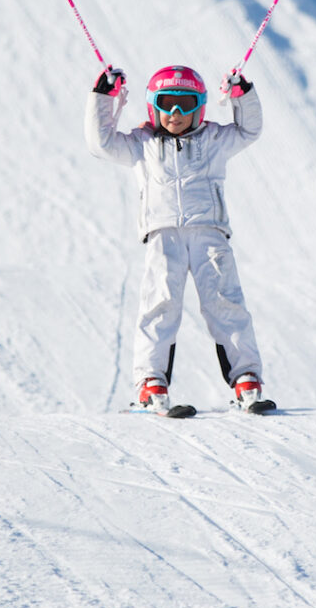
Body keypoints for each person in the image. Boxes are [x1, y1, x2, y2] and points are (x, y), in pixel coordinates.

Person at [86, 62, 272, 413]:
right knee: (160, 305)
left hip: (209, 234)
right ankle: (150, 381)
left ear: (199, 106)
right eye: (167, 102)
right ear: (153, 105)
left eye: (185, 104)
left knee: (225, 303)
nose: (175, 112)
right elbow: (102, 143)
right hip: (163, 235)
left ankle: (247, 379)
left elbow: (250, 130)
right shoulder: (142, 144)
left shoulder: (215, 139)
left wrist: (241, 94)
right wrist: (103, 97)